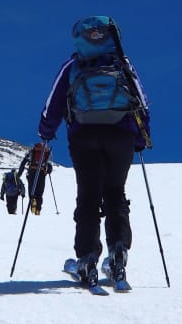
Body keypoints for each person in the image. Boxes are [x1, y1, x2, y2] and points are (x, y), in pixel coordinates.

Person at [37, 16, 150, 286]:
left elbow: (53, 100)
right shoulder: (121, 64)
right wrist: (142, 136)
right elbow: (141, 101)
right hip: (120, 136)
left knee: (88, 196)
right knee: (115, 193)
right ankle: (118, 252)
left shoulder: (73, 65)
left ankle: (87, 258)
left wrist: (46, 131)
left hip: (84, 136)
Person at [17, 143, 53, 215]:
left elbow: (24, 162)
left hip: (32, 171)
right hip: (42, 172)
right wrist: (49, 170)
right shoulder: (47, 153)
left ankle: (32, 201)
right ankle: (38, 208)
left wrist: (19, 174)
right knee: (40, 191)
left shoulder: (32, 151)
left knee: (31, 188)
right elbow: (49, 165)